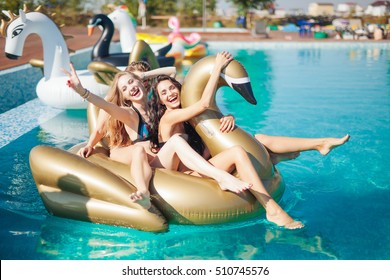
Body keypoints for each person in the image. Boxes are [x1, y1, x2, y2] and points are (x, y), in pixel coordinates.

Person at [149, 51, 305, 229]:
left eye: (171, 88)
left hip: (195, 169)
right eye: (163, 93)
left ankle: (272, 157)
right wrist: (216, 69)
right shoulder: (169, 118)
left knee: (237, 146)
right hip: (176, 177)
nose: (170, 93)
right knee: (233, 151)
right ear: (160, 101)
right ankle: (271, 209)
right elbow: (204, 104)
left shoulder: (189, 118)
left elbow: (210, 132)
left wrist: (229, 117)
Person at [64, 63, 252, 209]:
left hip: (162, 161)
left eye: (132, 82)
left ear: (140, 82)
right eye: (125, 88)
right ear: (125, 97)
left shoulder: (156, 106)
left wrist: (143, 75)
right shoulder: (129, 113)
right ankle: (144, 191)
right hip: (150, 166)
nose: (130, 87)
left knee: (183, 139)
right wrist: (81, 91)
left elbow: (171, 74)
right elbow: (106, 106)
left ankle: (218, 175)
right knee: (152, 147)